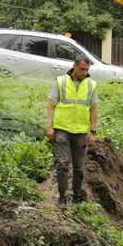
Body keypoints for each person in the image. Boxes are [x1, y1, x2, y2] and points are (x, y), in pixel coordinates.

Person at [46, 55, 98, 209]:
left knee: (79, 167)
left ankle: (76, 197)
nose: (84, 72)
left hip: (81, 131)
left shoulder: (91, 85)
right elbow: (51, 105)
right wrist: (50, 126)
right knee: (62, 164)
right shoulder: (61, 82)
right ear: (74, 66)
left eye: (87, 69)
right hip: (62, 129)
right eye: (82, 69)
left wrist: (92, 131)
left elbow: (94, 110)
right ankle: (62, 197)